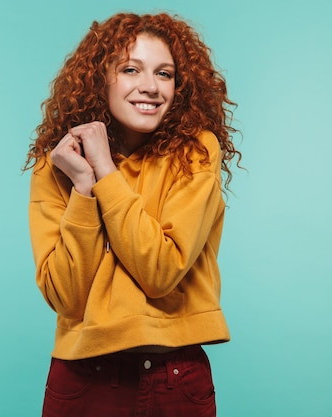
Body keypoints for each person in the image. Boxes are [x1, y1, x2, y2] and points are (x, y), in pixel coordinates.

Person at [24, 11, 241, 417]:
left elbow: (160, 270)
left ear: (180, 86)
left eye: (164, 73)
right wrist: (84, 189)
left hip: (174, 378)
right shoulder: (57, 165)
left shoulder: (196, 152)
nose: (150, 87)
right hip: (82, 378)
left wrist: (105, 170)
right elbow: (67, 298)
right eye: (130, 69)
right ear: (99, 79)